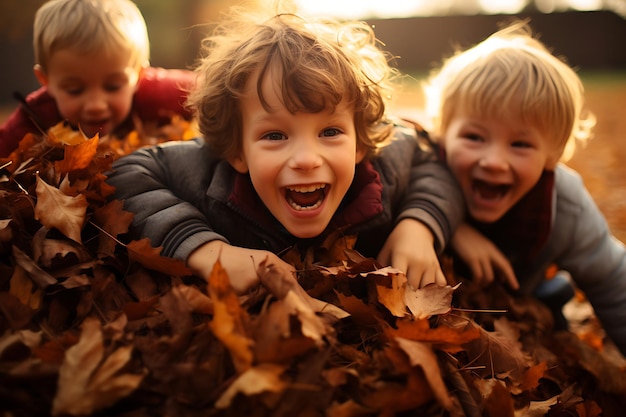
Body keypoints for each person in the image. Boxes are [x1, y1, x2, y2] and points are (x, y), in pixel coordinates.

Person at [106, 9, 465, 293]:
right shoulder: (208, 174)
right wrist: (208, 251)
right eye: (275, 136)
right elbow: (127, 173)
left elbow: (430, 162)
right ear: (238, 151)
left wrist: (419, 226)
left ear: (359, 142)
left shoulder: (387, 165)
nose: (307, 159)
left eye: (330, 131)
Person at [421, 21, 626, 355]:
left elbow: (615, 285)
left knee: (549, 312)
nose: (494, 161)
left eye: (520, 145)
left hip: (528, 300)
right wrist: (451, 225)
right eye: (474, 137)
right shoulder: (425, 164)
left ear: (553, 155)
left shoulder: (565, 206)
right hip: (443, 317)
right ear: (443, 132)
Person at [0, 0, 195, 157]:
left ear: (138, 75)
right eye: (75, 90)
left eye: (113, 86)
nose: (96, 105)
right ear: (46, 80)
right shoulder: (35, 117)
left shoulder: (155, 92)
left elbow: (213, 88)